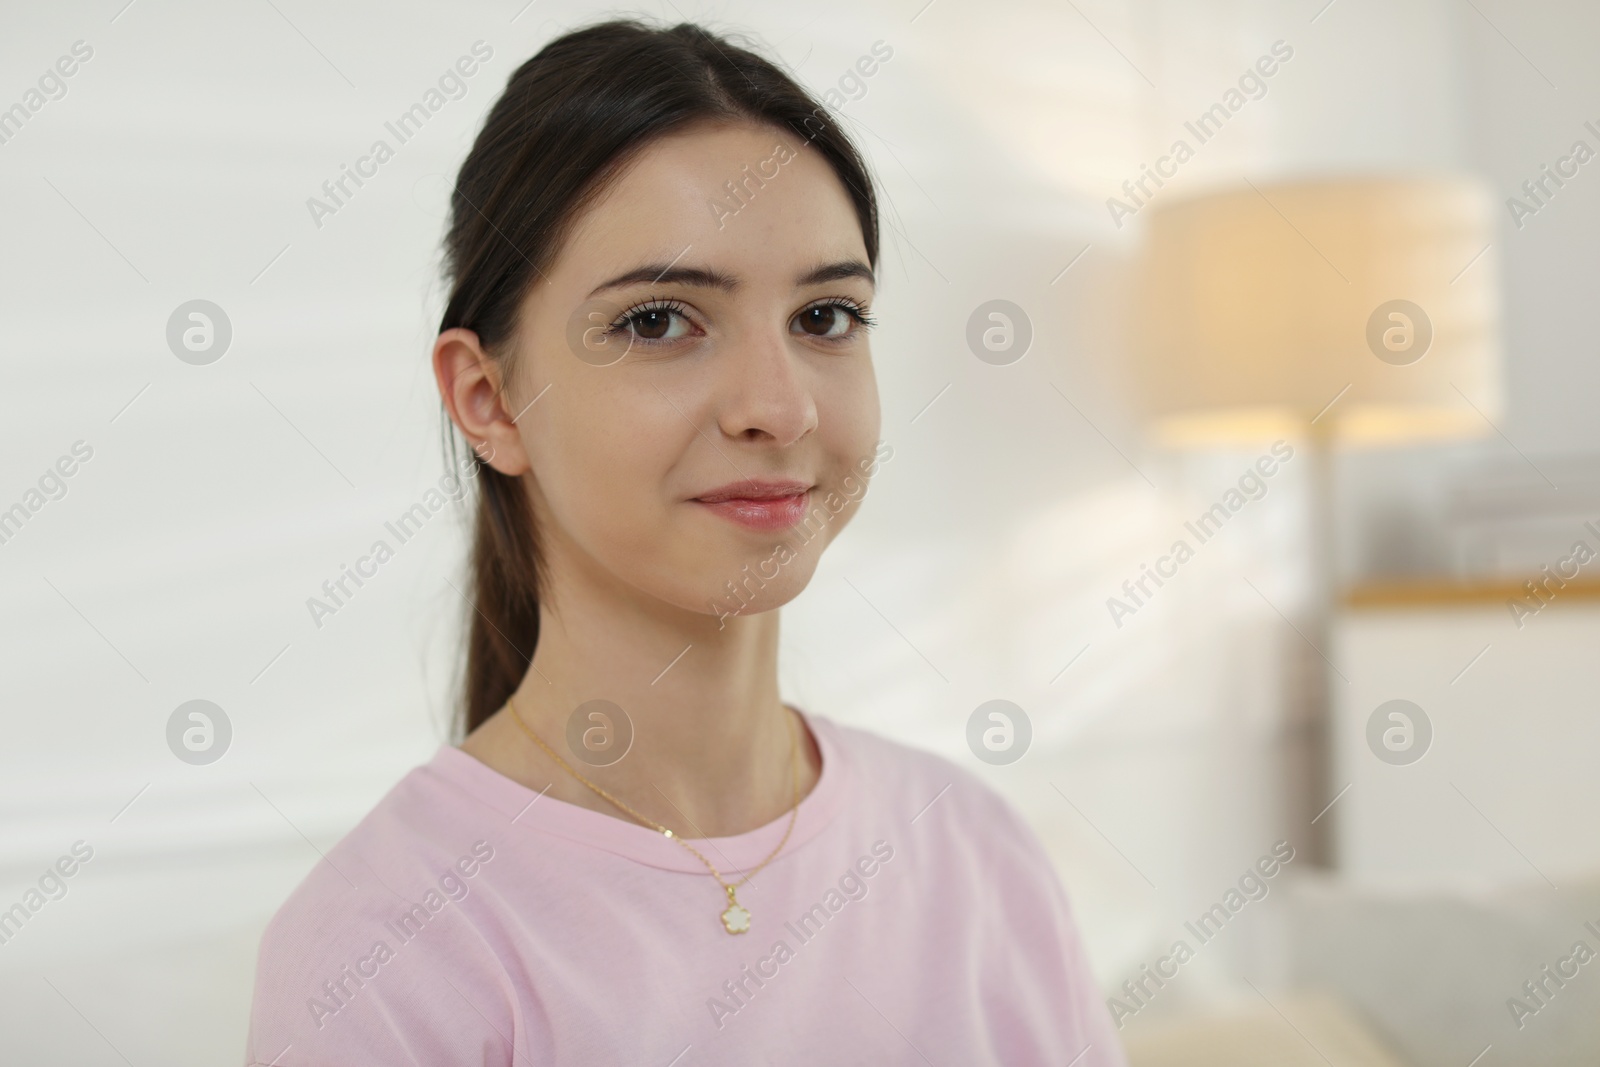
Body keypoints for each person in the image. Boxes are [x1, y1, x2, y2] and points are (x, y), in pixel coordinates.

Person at [245, 17, 1126, 1065]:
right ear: (489, 401)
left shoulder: (977, 856)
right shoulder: (386, 947)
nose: (778, 406)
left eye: (826, 316)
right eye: (661, 321)